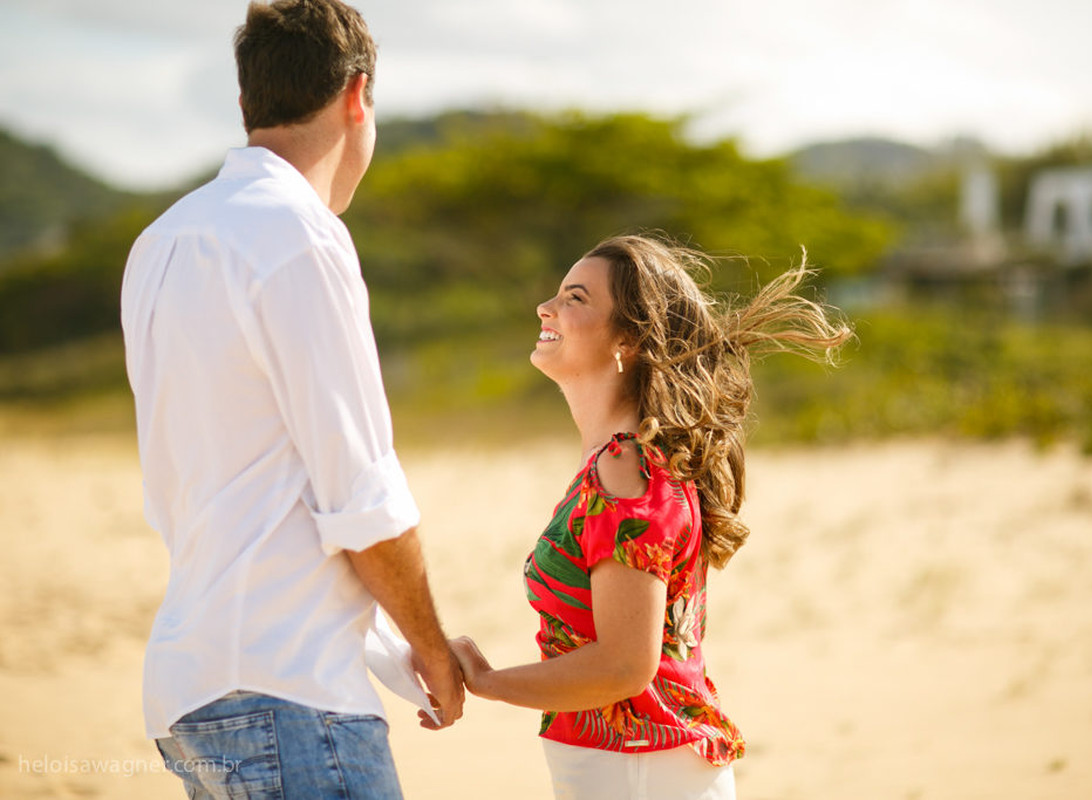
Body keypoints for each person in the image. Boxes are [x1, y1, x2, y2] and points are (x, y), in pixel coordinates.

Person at [120, 1, 463, 796]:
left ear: (246, 104)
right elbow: (362, 496)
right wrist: (433, 648)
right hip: (291, 688)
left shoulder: (162, 240)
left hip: (190, 685)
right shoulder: (300, 234)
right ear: (358, 96)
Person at [449, 234, 852, 799]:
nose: (547, 307)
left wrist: (488, 683)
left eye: (576, 299)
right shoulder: (618, 461)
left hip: (643, 776)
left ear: (629, 340)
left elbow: (622, 666)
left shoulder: (625, 467)